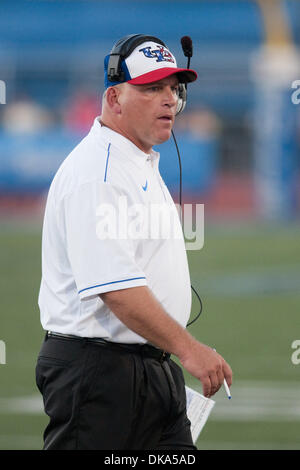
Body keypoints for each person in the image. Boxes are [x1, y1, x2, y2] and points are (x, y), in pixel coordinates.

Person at [36, 34, 232, 450]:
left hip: (150, 368)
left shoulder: (136, 160)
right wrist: (189, 349)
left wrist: (172, 352)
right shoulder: (99, 172)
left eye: (173, 89)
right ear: (114, 98)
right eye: (151, 88)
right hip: (100, 374)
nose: (168, 100)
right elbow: (116, 288)